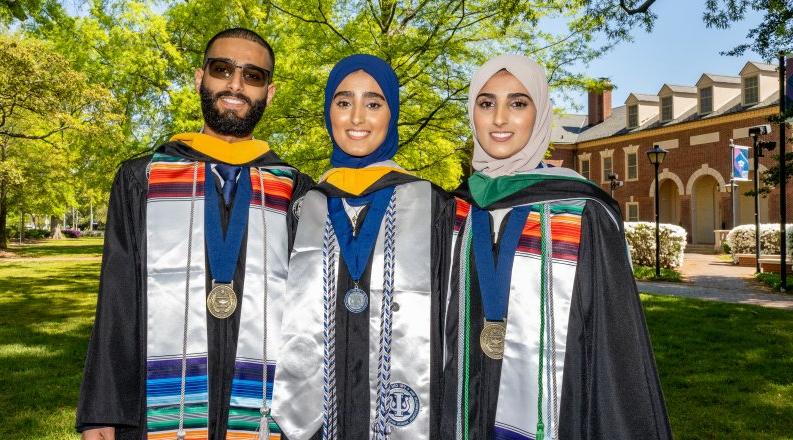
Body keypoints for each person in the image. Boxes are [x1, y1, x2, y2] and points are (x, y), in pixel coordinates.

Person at [76, 28, 313, 440]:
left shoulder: (295, 189)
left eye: (253, 76)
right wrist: (102, 409)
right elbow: (117, 297)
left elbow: (308, 313)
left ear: (269, 93)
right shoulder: (143, 178)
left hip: (265, 410)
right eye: (223, 70)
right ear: (200, 77)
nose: (236, 85)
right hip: (155, 408)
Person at [440, 55, 672, 439]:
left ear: (541, 113)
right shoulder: (453, 211)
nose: (499, 118)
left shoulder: (583, 212)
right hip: (463, 409)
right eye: (486, 103)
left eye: (518, 103)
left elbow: (615, 353)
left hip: (560, 413)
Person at [271, 54, 455, 440]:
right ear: (328, 112)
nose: (357, 118)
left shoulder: (434, 206)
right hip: (313, 420)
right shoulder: (302, 204)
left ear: (392, 113)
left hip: (406, 413)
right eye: (343, 103)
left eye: (373, 103)